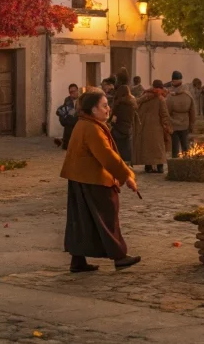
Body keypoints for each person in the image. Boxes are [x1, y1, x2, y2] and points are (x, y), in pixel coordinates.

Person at [60, 88, 142, 273]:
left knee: (82, 221)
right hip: (93, 180)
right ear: (93, 109)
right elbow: (107, 156)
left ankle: (78, 260)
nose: (108, 109)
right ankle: (119, 256)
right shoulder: (91, 128)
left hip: (80, 178)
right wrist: (127, 175)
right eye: (104, 106)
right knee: (107, 217)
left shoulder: (84, 124)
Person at [133, 80, 171, 173]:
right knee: (158, 148)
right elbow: (164, 114)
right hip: (157, 127)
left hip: (144, 127)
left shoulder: (143, 97)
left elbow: (137, 110)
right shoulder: (160, 99)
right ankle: (160, 167)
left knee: (147, 147)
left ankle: (148, 167)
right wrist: (167, 126)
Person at [165, 71, 197, 158]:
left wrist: (167, 123)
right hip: (185, 123)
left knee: (175, 147)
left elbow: (167, 110)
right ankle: (186, 161)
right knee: (185, 145)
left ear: (173, 81)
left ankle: (175, 162)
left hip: (173, 124)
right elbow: (192, 111)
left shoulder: (170, 96)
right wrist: (192, 124)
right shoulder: (188, 94)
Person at [111, 82, 137, 165]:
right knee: (127, 148)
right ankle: (127, 164)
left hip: (118, 129)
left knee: (118, 149)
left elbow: (113, 118)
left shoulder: (118, 104)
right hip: (128, 128)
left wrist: (112, 124)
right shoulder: (132, 104)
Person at [57, 84, 79, 150]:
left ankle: (66, 142)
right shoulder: (68, 99)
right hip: (71, 120)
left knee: (71, 121)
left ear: (77, 91)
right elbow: (64, 109)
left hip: (80, 119)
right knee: (68, 121)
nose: (73, 93)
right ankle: (66, 143)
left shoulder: (82, 99)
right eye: (71, 92)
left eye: (75, 91)